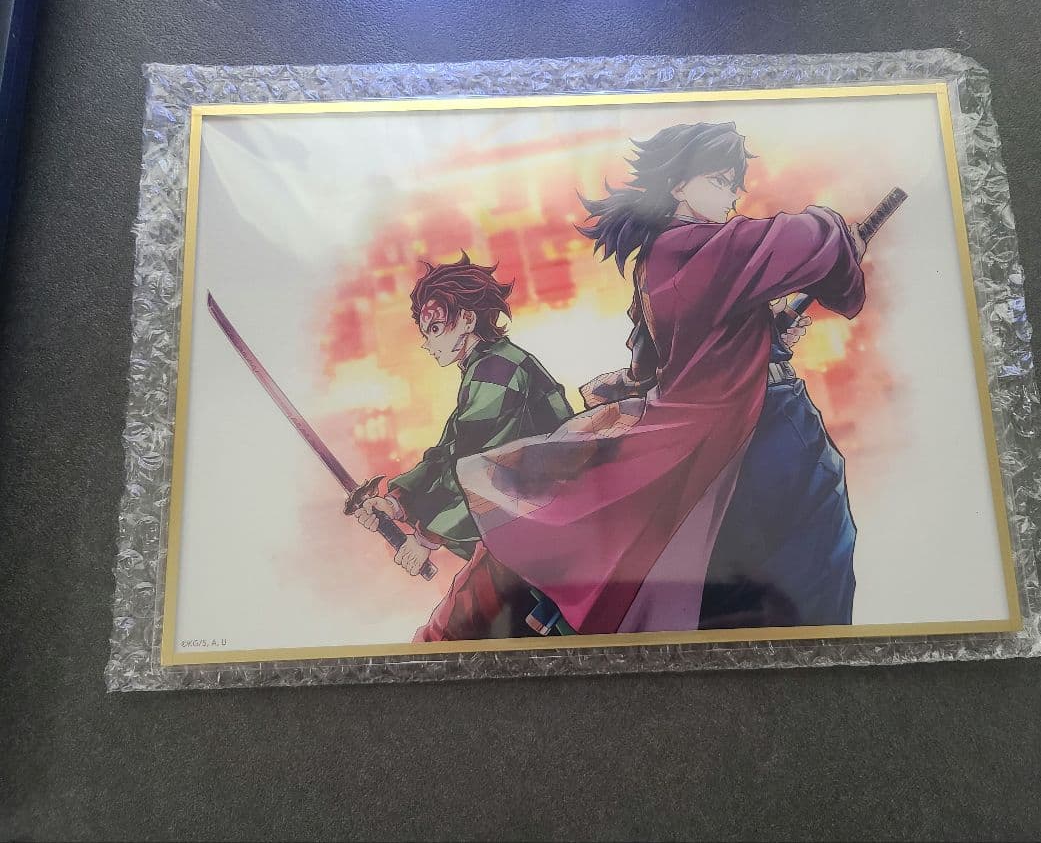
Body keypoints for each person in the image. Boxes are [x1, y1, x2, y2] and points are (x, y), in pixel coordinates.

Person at [454, 122, 866, 636]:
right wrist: (839, 234)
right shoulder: (699, 247)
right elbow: (810, 238)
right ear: (677, 184)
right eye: (719, 181)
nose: (732, 198)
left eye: (734, 185)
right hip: (767, 431)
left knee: (762, 574)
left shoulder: (659, 258)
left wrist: (767, 329)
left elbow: (682, 351)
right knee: (815, 562)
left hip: (743, 428)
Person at [352, 253, 575, 640]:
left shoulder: (498, 370)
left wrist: (425, 539)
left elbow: (481, 470)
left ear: (468, 319)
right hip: (523, 532)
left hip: (543, 536)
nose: (427, 343)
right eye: (426, 332)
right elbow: (447, 455)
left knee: (443, 640)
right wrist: (396, 503)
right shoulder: (486, 367)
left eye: (435, 328)